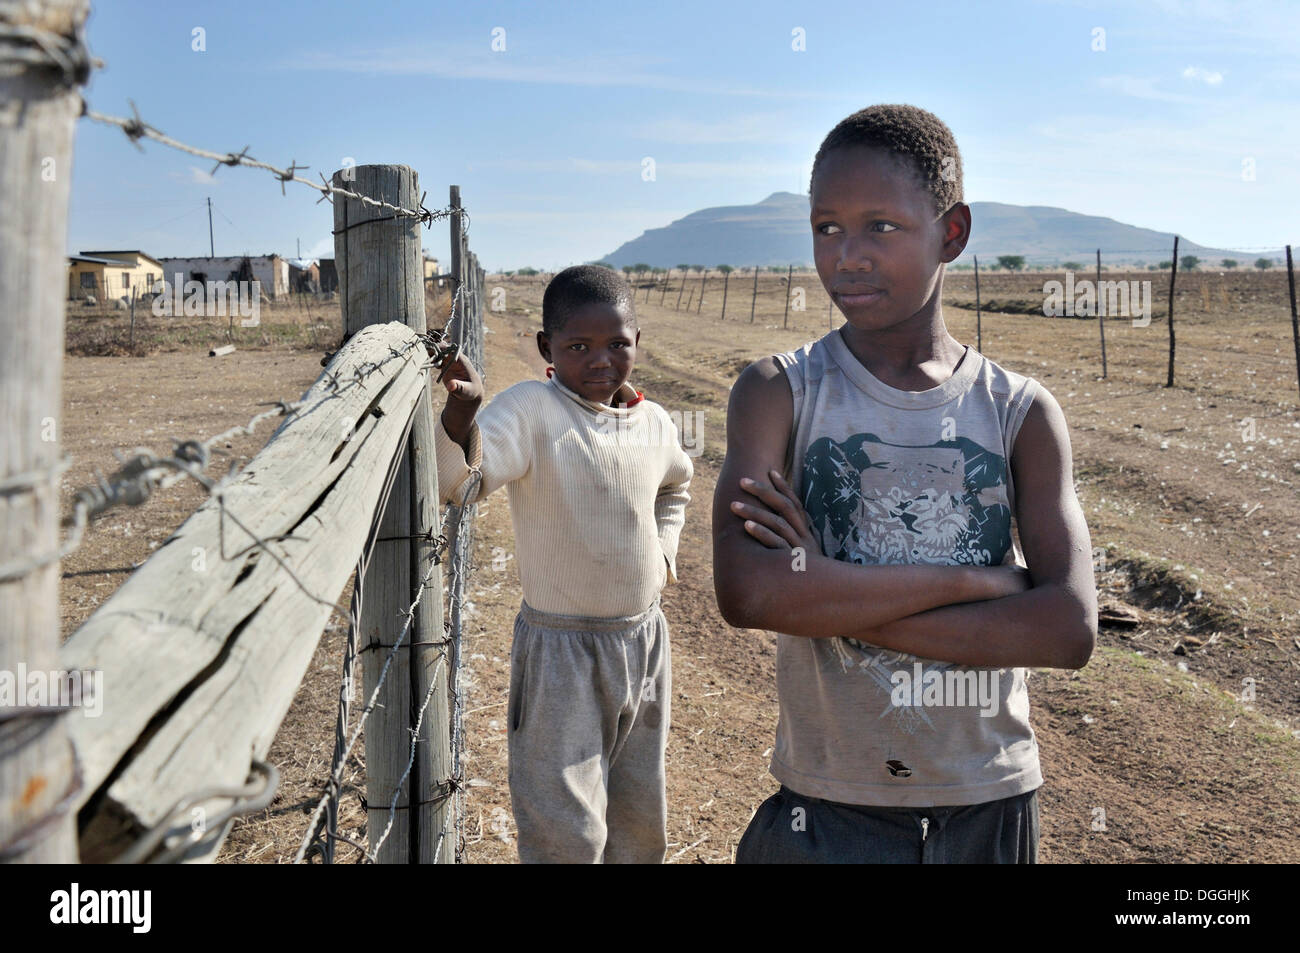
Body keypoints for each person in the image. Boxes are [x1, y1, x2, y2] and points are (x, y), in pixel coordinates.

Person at [712, 104, 1098, 863]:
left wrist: (828, 593)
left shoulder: (1018, 413)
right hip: (829, 807)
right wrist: (978, 579)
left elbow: (1066, 628)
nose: (847, 255)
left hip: (989, 801)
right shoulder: (780, 393)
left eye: (879, 227)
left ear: (951, 233)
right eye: (826, 228)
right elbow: (750, 593)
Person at [435, 265, 693, 863]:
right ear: (547, 348)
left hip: (643, 644)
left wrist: (662, 556)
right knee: (565, 829)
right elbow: (462, 485)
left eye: (617, 344)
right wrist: (461, 417)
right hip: (561, 654)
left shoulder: (653, 424)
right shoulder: (533, 409)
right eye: (579, 346)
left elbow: (676, 486)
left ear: (636, 341)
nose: (600, 360)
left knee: (637, 819)